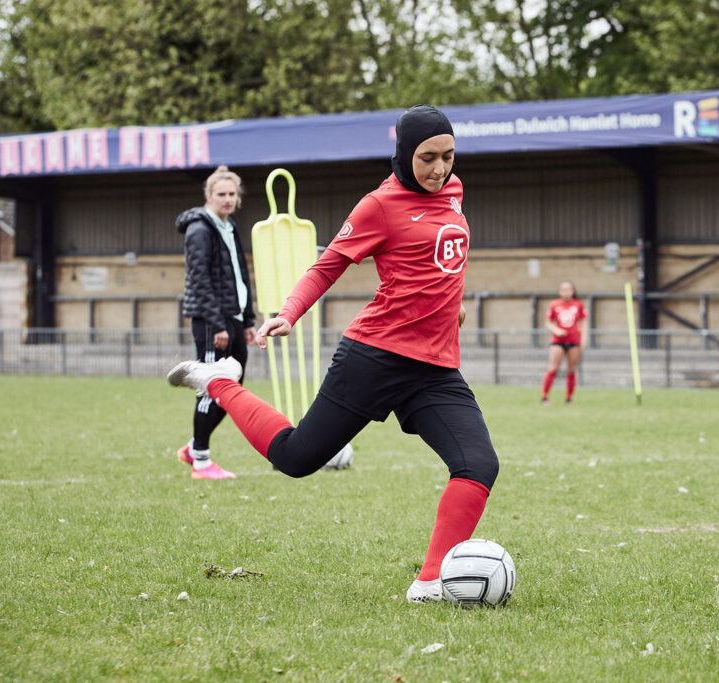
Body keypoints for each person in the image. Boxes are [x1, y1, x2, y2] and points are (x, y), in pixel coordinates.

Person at [167, 105, 499, 603]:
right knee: (296, 458)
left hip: (434, 369)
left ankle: (429, 583)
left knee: (478, 464)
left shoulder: (453, 192)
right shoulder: (379, 205)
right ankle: (219, 382)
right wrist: (290, 311)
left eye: (448, 157)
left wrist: (455, 305)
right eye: (427, 158)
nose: (439, 169)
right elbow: (328, 265)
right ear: (404, 155)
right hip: (375, 356)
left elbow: (443, 258)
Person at [174, 165, 256, 479]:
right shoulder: (200, 229)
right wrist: (217, 324)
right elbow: (200, 279)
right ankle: (202, 461)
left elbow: (239, 276)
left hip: (234, 318)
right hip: (212, 323)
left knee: (232, 386)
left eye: (232, 194)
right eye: (221, 194)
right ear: (208, 196)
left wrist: (247, 319)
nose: (227, 199)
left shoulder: (229, 226)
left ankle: (193, 447)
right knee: (211, 388)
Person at [540, 280, 588, 404]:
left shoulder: (578, 304)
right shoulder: (555, 304)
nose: (566, 292)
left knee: (572, 369)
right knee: (553, 367)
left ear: (573, 291)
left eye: (569, 289)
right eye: (563, 289)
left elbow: (583, 322)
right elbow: (548, 322)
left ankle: (569, 398)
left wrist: (583, 338)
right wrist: (557, 330)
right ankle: (544, 397)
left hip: (574, 341)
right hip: (558, 341)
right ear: (560, 291)